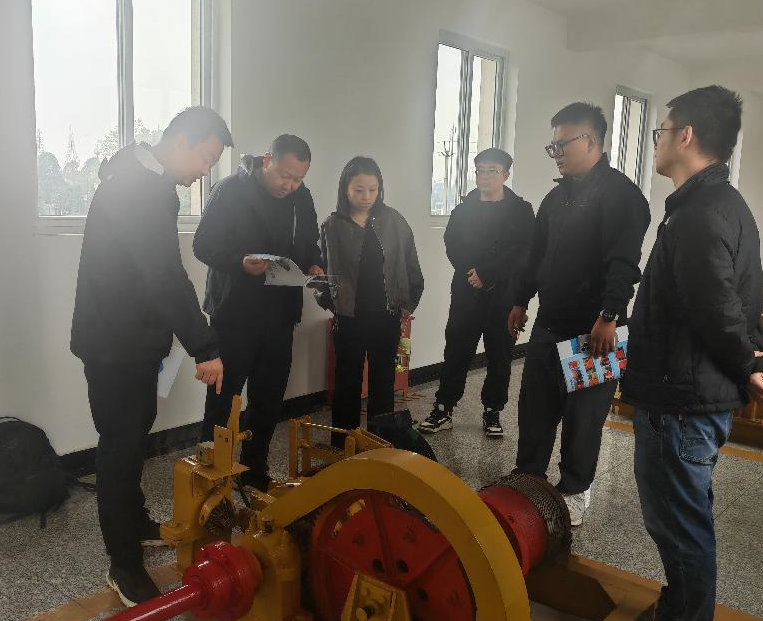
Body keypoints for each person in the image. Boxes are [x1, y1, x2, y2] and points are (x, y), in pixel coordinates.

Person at [604, 86, 763, 621]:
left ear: (685, 136)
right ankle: (683, 611)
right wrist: (752, 360)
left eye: (661, 130)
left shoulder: (701, 213)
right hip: (691, 393)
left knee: (680, 525)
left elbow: (719, 309)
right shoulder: (717, 203)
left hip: (681, 398)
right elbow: (732, 302)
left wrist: (750, 365)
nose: (655, 141)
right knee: (687, 517)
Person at [70, 106, 232, 607]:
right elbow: (163, 275)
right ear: (181, 141)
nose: (204, 171)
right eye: (205, 158)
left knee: (131, 440)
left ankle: (135, 523)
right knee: (119, 450)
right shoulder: (140, 188)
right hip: (115, 345)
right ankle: (123, 565)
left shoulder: (145, 180)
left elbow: (154, 274)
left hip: (131, 341)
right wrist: (205, 346)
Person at [508, 102, 650, 526]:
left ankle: (574, 490)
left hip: (595, 330)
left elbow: (623, 262)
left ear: (590, 141)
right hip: (550, 323)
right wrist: (520, 299)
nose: (556, 153)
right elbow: (535, 255)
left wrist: (609, 314)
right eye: (551, 146)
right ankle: (528, 479)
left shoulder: (622, 196)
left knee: (583, 418)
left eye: (562, 144)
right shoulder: (556, 197)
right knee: (535, 407)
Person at [193, 134, 323, 491]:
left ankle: (254, 472)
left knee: (267, 401)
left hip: (280, 315)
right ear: (267, 160)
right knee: (222, 402)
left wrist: (314, 265)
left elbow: (309, 243)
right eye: (285, 175)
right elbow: (202, 244)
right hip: (234, 315)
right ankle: (209, 480)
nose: (289, 185)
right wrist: (239, 262)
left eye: (298, 179)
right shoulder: (229, 190)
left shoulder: (301, 198)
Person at [418, 148, 533, 439]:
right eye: (480, 170)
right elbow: (452, 242)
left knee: (500, 356)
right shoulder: (463, 209)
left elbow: (522, 250)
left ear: (505, 174)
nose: (485, 176)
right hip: (466, 292)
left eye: (492, 171)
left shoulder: (520, 210)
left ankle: (492, 410)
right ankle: (443, 408)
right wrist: (472, 271)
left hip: (503, 295)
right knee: (456, 351)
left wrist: (487, 272)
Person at [320, 156, 424, 444]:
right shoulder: (332, 226)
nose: (366, 196)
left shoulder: (394, 221)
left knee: (383, 384)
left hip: (386, 315)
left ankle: (381, 444)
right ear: (345, 189)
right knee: (347, 385)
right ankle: (344, 446)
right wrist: (330, 303)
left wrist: (408, 304)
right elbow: (322, 271)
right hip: (349, 317)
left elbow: (411, 265)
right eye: (359, 190)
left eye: (373, 189)